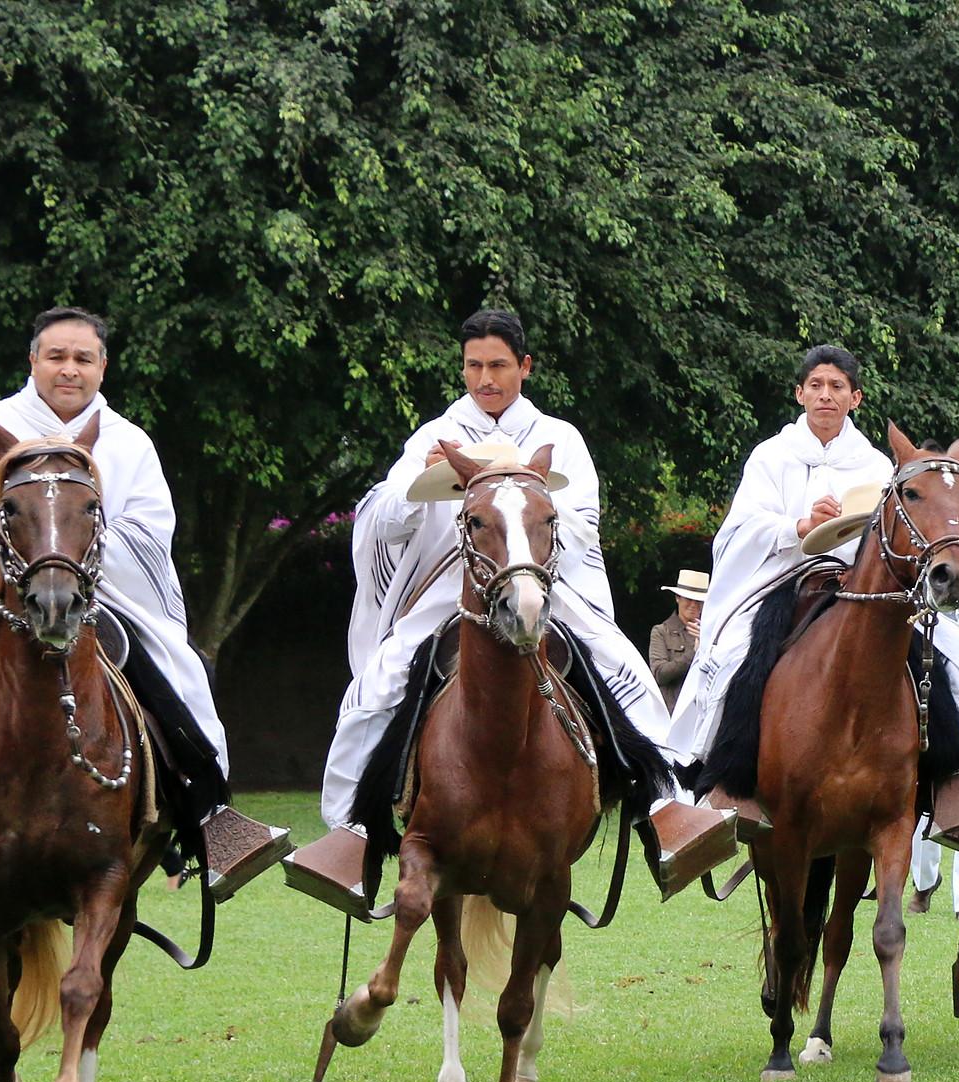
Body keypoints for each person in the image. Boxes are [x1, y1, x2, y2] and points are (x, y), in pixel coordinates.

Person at [0, 306, 285, 899]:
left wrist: (70, 546)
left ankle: (210, 819)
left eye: (83, 358)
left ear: (102, 367)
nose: (70, 369)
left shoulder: (127, 443)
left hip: (98, 598)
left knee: (176, 677)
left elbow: (148, 534)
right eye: (57, 357)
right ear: (34, 361)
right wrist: (6, 534)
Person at [287, 308, 732, 908]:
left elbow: (577, 525)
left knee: (623, 670)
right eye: (474, 366)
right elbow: (385, 520)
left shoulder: (561, 437)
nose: (485, 379)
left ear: (524, 366)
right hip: (454, 592)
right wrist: (415, 486)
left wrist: (518, 501)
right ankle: (354, 833)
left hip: (544, 586)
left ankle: (662, 808)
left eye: (497, 365)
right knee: (378, 682)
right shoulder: (433, 437)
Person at [663, 345, 959, 848]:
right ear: (800, 393)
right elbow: (738, 531)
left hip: (865, 588)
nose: (825, 395)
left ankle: (952, 783)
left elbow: (903, 532)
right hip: (785, 582)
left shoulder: (879, 464)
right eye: (816, 385)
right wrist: (800, 525)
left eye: (837, 387)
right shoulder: (771, 457)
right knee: (733, 657)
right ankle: (723, 784)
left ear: (854, 397)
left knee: (949, 651)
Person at [649, 570, 707, 710]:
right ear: (677, 598)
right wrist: (694, 654)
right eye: (688, 598)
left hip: (702, 713)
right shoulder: (661, 632)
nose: (694, 604)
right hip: (673, 714)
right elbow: (659, 674)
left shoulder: (711, 634)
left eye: (698, 600)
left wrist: (707, 644)